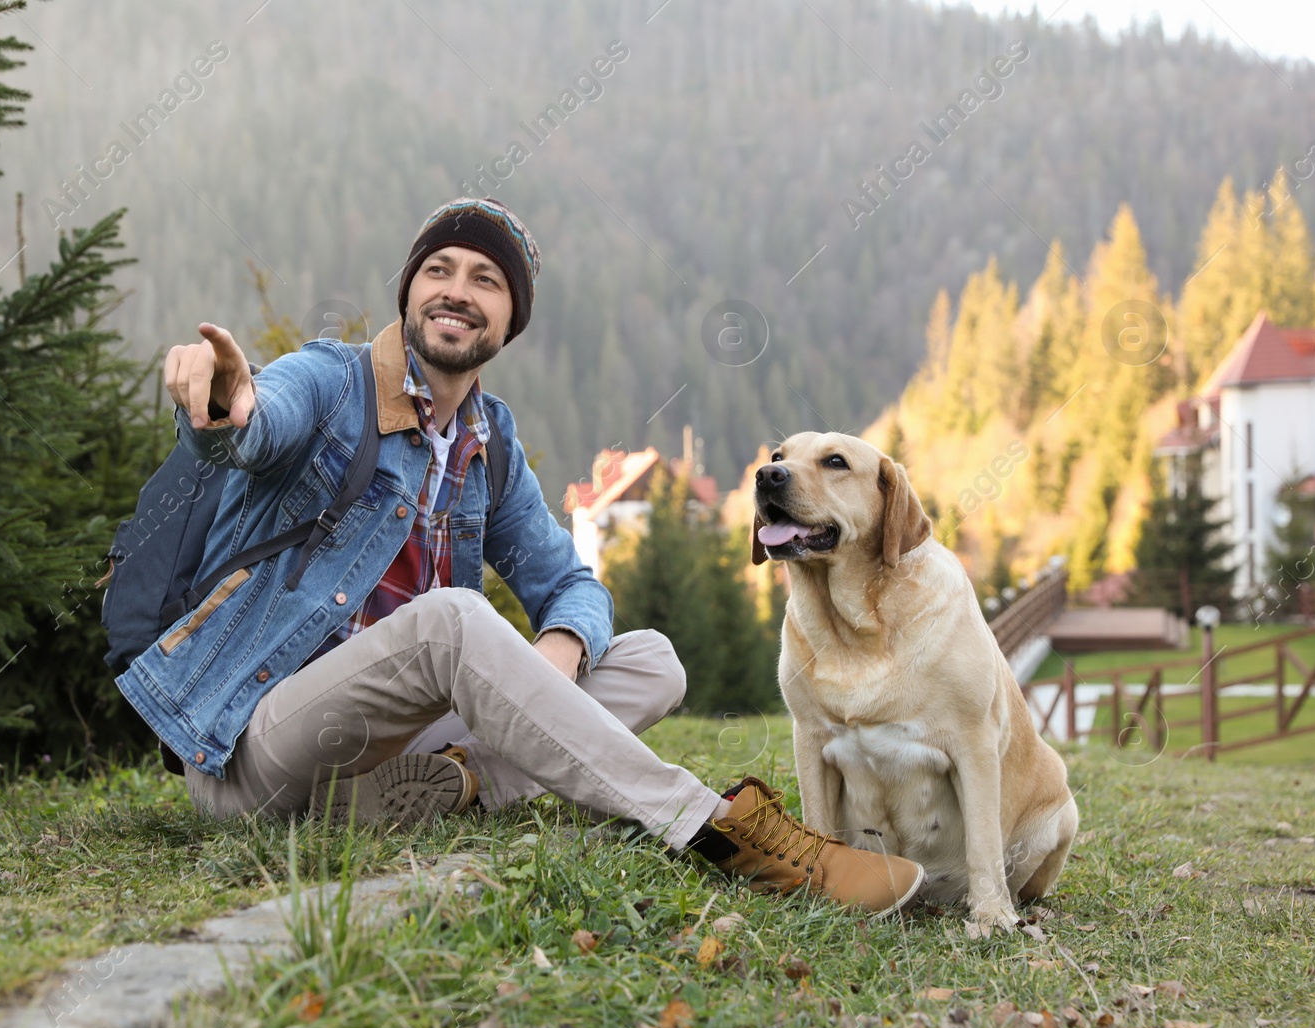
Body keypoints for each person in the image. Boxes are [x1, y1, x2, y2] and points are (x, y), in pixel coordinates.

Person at [118, 197, 924, 915]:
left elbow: (571, 580)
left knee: (653, 661)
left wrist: (562, 645)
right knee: (454, 624)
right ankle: (708, 825)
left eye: (485, 280)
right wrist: (228, 398)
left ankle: (437, 789)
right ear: (409, 293)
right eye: (438, 269)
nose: (456, 289)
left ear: (509, 322)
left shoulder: (488, 444)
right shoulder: (332, 382)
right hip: (256, 748)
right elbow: (260, 421)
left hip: (380, 751)